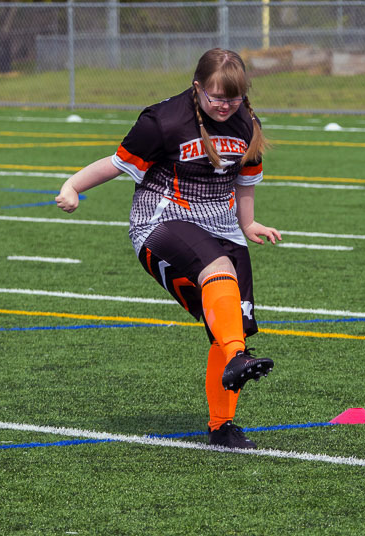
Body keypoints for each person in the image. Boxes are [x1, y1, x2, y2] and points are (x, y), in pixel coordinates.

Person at [55, 48, 281, 449]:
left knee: (228, 330)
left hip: (222, 225)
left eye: (233, 97)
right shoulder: (164, 120)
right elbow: (115, 163)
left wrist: (248, 224)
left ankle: (222, 426)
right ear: (197, 88)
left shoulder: (246, 122)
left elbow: (245, 179)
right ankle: (236, 359)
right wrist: (72, 185)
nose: (225, 105)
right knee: (218, 272)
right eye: (216, 97)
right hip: (161, 220)